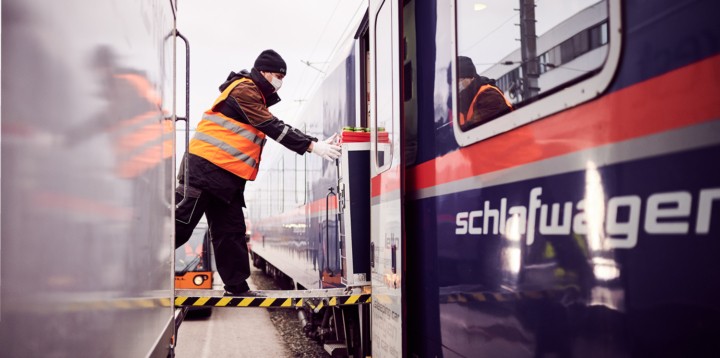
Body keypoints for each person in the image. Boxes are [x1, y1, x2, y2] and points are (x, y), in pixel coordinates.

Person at [175, 49, 341, 296]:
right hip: (203, 170)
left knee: (231, 232)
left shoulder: (255, 96)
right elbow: (271, 126)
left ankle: (236, 287)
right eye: (277, 75)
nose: (280, 82)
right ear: (263, 72)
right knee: (181, 224)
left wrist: (311, 142)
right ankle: (137, 265)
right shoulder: (244, 90)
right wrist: (312, 145)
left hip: (226, 179)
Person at [457, 56, 513, 129]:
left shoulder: (489, 95)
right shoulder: (461, 102)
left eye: (459, 80)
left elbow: (477, 127)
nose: (456, 85)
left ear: (470, 78)